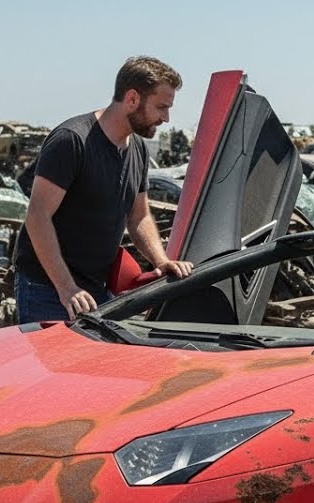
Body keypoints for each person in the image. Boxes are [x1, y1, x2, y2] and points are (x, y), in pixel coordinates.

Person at [14, 56, 193, 322]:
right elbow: (38, 216)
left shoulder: (139, 150)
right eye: (161, 107)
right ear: (132, 99)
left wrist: (160, 261)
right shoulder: (72, 141)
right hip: (48, 289)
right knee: (54, 365)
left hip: (95, 291)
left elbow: (139, 216)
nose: (166, 118)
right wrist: (66, 287)